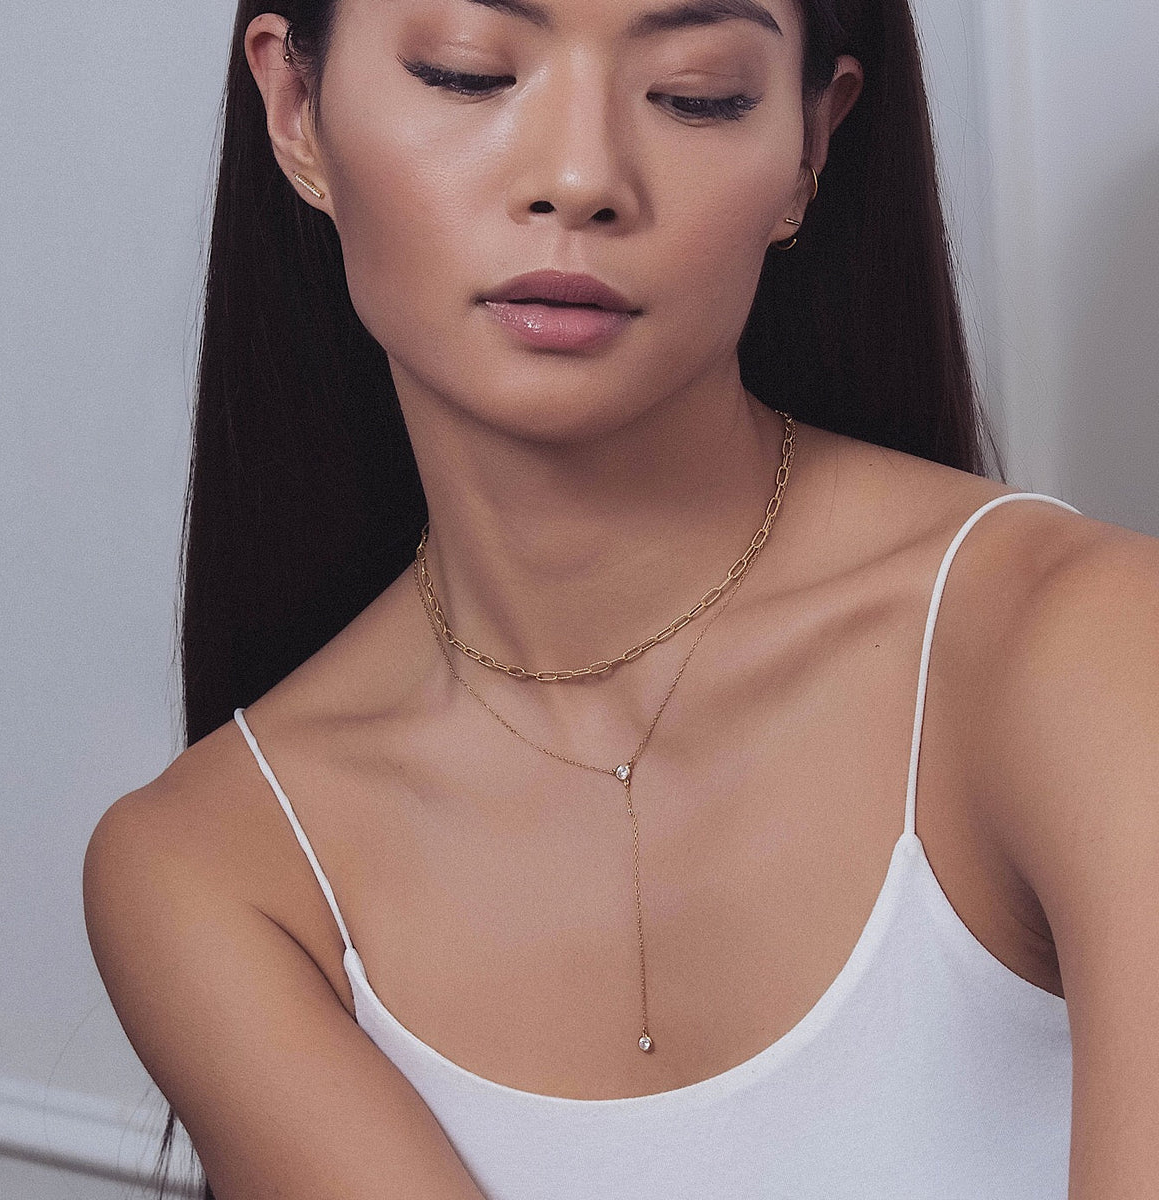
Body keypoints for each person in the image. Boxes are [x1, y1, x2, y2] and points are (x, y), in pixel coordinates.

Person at [82, 0, 1159, 1196]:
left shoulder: (1089, 649)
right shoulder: (218, 868)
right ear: (296, 109)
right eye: (469, 72)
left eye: (697, 93)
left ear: (809, 148)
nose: (581, 178)